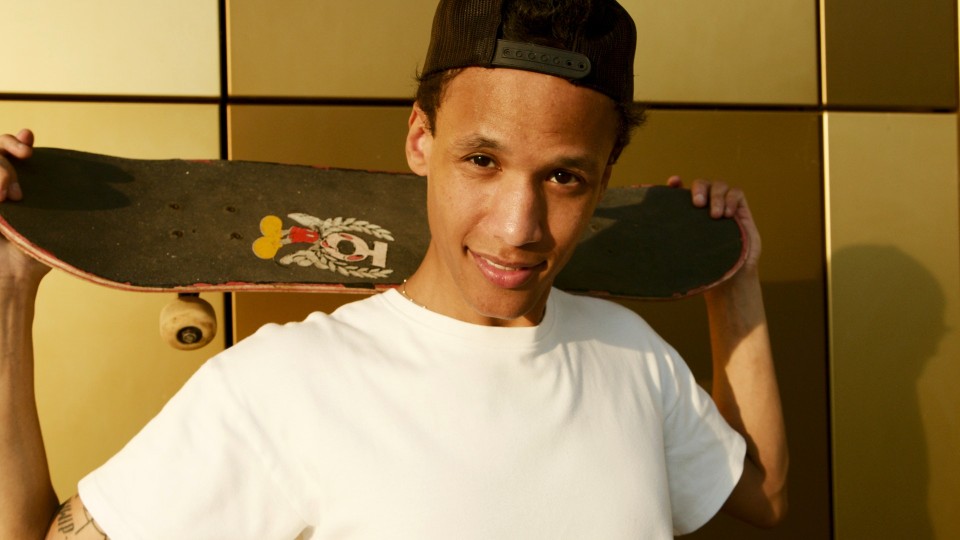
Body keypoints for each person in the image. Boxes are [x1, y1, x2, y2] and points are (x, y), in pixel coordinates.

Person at [0, 0, 788, 538]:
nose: (519, 229)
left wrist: (734, 283)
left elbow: (764, 497)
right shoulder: (285, 383)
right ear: (420, 141)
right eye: (482, 160)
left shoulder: (633, 354)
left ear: (603, 181)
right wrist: (7, 291)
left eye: (564, 177)